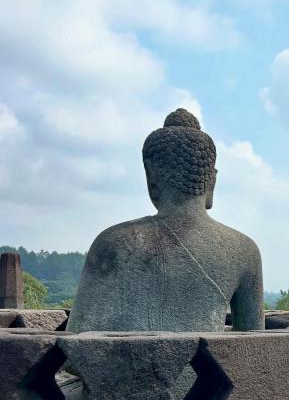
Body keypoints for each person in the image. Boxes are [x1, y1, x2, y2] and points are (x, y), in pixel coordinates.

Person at [68, 109, 264, 332]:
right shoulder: (244, 250)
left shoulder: (111, 243)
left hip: (126, 367)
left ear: (151, 178)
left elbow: (75, 345)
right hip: (207, 368)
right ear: (212, 179)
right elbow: (254, 347)